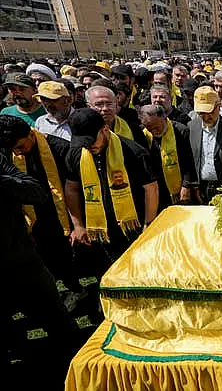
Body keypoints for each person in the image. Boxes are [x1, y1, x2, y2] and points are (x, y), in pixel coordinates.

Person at [1, 152, 82, 389]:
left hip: (22, 261)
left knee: (60, 323)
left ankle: (78, 375)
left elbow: (36, 191)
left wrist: (4, 181)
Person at [0, 115, 86, 308]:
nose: (18, 152)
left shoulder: (60, 148)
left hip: (59, 214)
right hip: (29, 216)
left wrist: (76, 224)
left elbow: (74, 188)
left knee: (63, 257)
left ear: (31, 134)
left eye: (21, 147)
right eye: (14, 149)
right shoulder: (7, 153)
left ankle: (75, 289)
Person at [65, 108, 159, 277]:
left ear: (105, 129)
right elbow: (72, 188)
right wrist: (78, 225)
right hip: (98, 227)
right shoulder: (76, 153)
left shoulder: (133, 152)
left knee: (137, 272)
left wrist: (149, 223)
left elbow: (151, 188)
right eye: (83, 142)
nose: (89, 146)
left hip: (132, 225)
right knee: (107, 274)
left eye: (92, 140)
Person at [139, 104, 197, 210]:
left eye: (156, 126)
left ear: (164, 118)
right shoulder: (143, 135)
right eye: (149, 128)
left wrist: (186, 185)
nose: (154, 131)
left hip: (180, 189)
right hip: (158, 191)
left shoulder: (180, 130)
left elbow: (189, 161)